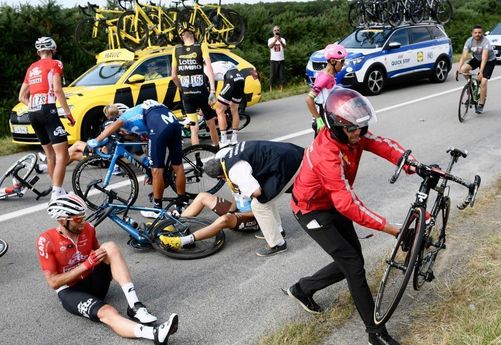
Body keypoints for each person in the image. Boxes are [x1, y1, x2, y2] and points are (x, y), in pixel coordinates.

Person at [286, 88, 417, 345]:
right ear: (336, 126)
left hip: (332, 202)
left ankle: (302, 289)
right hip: (311, 210)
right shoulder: (328, 153)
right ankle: (375, 333)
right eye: (352, 129)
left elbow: (380, 144)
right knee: (354, 266)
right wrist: (391, 228)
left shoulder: (352, 135)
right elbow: (349, 205)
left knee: (352, 260)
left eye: (361, 126)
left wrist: (409, 162)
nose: (359, 132)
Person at [37, 194, 179, 344]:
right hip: (72, 291)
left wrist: (109, 269)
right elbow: (53, 282)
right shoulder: (46, 240)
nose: (83, 222)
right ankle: (155, 334)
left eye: (84, 217)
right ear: (62, 220)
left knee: (109, 246)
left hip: (93, 281)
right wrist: (86, 265)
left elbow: (103, 255)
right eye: (78, 219)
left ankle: (135, 306)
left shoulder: (88, 229)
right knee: (107, 312)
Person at [87, 100, 186, 218]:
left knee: (157, 171)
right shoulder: (139, 112)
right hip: (173, 122)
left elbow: (115, 125)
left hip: (159, 127)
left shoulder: (126, 116)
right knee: (178, 166)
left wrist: (96, 140)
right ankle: (181, 204)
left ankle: (157, 210)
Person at [202, 140, 304, 256]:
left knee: (259, 205)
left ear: (219, 176)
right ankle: (278, 230)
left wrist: (244, 191)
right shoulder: (230, 155)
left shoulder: (235, 171)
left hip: (290, 164)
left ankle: (277, 244)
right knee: (267, 197)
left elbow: (256, 192)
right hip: (290, 153)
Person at [18, 37, 76, 201]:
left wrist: (34, 106)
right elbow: (57, 90)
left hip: (33, 112)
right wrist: (68, 113)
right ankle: (57, 194)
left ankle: (57, 189)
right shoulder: (55, 64)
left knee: (50, 155)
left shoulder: (31, 67)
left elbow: (21, 96)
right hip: (47, 110)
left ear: (38, 52)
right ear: (53, 50)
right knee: (62, 156)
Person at [171, 22, 219, 146]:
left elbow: (173, 76)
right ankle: (217, 150)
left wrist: (181, 88)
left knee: (193, 126)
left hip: (187, 93)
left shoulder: (176, 49)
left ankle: (197, 157)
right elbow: (209, 68)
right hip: (202, 92)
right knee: (211, 122)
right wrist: (213, 90)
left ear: (181, 36)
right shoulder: (201, 46)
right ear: (194, 34)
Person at [305, 43, 347, 136]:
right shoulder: (325, 77)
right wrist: (319, 119)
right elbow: (309, 99)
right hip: (322, 116)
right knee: (323, 147)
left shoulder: (330, 75)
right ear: (333, 61)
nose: (343, 64)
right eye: (342, 61)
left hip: (328, 113)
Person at [455, 25, 497, 114]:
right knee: (464, 69)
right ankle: (472, 85)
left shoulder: (485, 41)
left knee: (484, 81)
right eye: (475, 33)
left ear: (482, 33)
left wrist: (480, 72)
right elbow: (464, 56)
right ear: (472, 33)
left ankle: (481, 105)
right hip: (477, 59)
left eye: (479, 32)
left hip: (489, 61)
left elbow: (485, 57)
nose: (477, 34)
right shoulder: (469, 41)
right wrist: (458, 69)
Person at [211, 60, 245, 148]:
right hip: (240, 78)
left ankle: (224, 140)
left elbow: (209, 87)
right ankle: (234, 139)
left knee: (219, 109)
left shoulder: (206, 69)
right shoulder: (219, 63)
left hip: (231, 79)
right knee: (234, 109)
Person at [268, 25, 286, 93]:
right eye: (275, 30)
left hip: (281, 59)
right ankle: (271, 89)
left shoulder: (283, 39)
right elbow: (270, 46)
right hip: (273, 60)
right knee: (272, 75)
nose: (276, 31)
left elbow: (284, 46)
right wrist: (275, 40)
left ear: (279, 31)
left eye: (277, 30)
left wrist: (280, 41)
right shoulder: (270, 39)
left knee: (281, 75)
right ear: (273, 32)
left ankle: (281, 89)